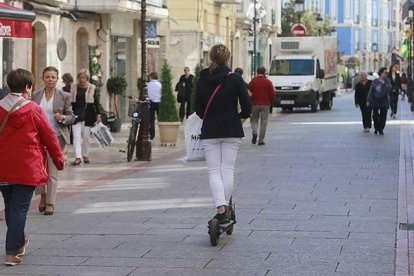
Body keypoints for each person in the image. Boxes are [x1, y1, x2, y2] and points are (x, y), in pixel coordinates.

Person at [0, 69, 64, 266]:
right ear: (28, 87)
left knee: (11, 207)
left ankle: (19, 242)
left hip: (3, 166)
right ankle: (11, 252)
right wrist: (59, 160)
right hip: (27, 167)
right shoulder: (33, 109)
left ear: (9, 86)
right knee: (19, 209)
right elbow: (50, 138)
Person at [195, 44, 251, 224]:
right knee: (227, 169)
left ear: (211, 57)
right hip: (231, 129)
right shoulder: (235, 79)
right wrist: (239, 116)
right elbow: (247, 106)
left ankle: (220, 207)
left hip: (210, 130)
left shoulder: (203, 78)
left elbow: (197, 108)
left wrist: (208, 116)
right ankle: (225, 208)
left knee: (213, 171)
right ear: (227, 58)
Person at [32, 66, 75, 215]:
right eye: (47, 77)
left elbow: (71, 116)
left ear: (57, 79)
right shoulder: (36, 95)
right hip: (38, 137)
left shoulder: (64, 96)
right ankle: (42, 196)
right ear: (43, 78)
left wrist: (63, 118)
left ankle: (50, 202)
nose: (50, 79)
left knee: (52, 170)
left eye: (53, 77)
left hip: (56, 136)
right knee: (39, 169)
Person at [70, 69, 101, 165]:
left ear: (87, 78)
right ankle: (78, 156)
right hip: (75, 114)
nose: (82, 79)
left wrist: (98, 115)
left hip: (88, 114)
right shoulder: (73, 87)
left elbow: (96, 102)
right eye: (80, 77)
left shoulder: (92, 87)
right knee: (76, 136)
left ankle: (85, 154)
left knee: (86, 137)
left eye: (84, 78)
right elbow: (69, 101)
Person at [248, 66, 276, 145]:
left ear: (257, 72)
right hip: (265, 104)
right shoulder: (268, 82)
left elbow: (249, 93)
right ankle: (260, 140)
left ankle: (254, 132)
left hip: (255, 104)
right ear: (264, 73)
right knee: (263, 122)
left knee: (254, 120)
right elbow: (273, 95)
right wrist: (269, 102)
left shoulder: (253, 81)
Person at [367, 67, 391, 135]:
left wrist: (384, 83)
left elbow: (389, 88)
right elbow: (371, 91)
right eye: (385, 73)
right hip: (375, 101)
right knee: (375, 116)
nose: (386, 74)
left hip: (384, 101)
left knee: (383, 117)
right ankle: (376, 128)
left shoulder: (387, 81)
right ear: (381, 73)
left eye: (387, 73)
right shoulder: (375, 81)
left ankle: (381, 129)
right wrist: (368, 100)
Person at [147, 71, 162, 140]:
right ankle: (162, 133)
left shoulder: (148, 85)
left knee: (151, 120)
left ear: (151, 77)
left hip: (151, 103)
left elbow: (146, 94)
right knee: (160, 119)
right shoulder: (159, 85)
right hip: (158, 102)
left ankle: (152, 135)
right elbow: (161, 93)